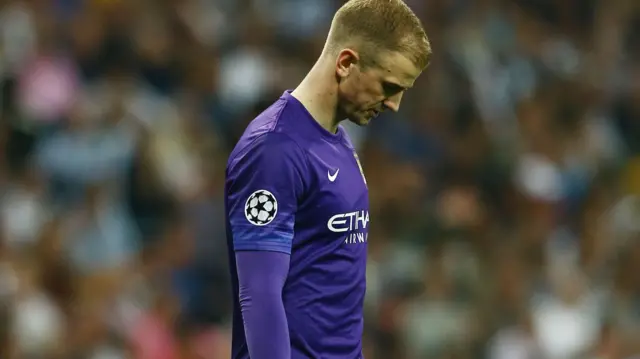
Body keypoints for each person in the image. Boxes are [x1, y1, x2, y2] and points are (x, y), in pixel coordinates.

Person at [224, 0, 431, 358]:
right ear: (346, 63)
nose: (394, 104)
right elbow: (259, 293)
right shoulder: (274, 149)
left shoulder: (339, 142)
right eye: (389, 86)